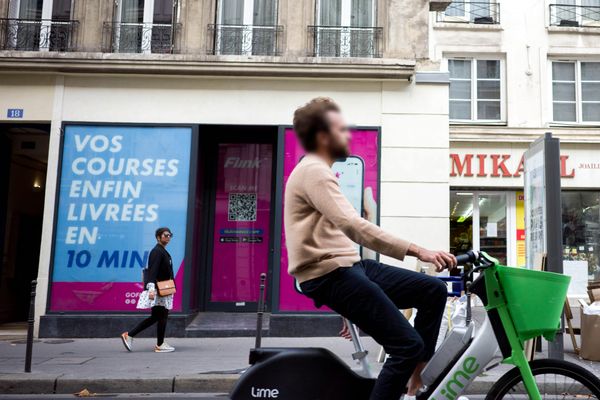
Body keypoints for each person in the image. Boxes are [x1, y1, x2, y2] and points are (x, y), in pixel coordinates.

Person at [284, 97, 457, 400]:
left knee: (433, 290)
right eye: (341, 129)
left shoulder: (318, 170)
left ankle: (418, 373)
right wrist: (420, 251)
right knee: (405, 346)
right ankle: (410, 368)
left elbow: (341, 234)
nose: (348, 135)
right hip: (330, 274)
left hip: (349, 268)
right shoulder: (314, 171)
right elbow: (354, 225)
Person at [121, 227, 176, 353]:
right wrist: (151, 288)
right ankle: (158, 343)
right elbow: (153, 270)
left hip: (163, 288)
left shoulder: (162, 251)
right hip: (158, 289)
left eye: (170, 235)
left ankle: (134, 336)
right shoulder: (157, 251)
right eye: (165, 235)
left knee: (158, 316)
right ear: (158, 237)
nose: (168, 237)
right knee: (161, 316)